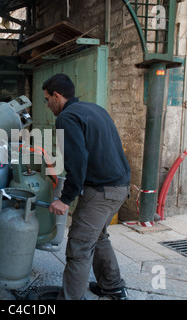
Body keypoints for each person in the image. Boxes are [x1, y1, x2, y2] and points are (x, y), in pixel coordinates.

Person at [42, 73, 131, 300]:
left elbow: (77, 163)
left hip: (101, 191)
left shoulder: (66, 118)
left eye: (47, 99)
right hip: (120, 186)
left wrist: (64, 199)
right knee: (98, 236)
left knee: (80, 245)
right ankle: (111, 286)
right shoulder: (94, 109)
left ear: (57, 95)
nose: (47, 105)